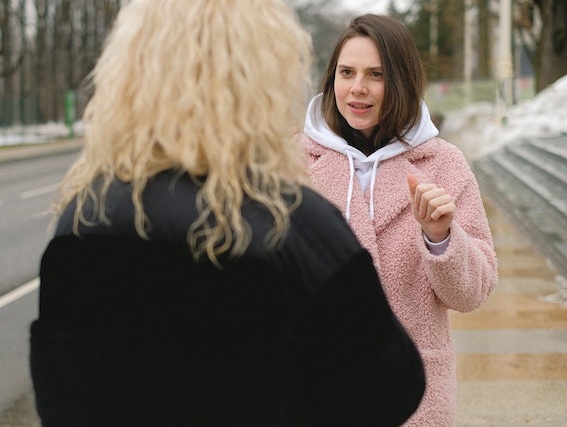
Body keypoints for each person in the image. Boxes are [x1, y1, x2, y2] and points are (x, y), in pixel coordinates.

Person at [29, 1, 426, 425]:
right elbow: (391, 388)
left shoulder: (83, 221)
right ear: (261, 79)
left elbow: (61, 396)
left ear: (129, 73)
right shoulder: (292, 224)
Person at [301, 14, 498, 426]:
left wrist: (442, 238)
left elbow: (474, 293)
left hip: (414, 394)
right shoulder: (294, 164)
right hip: (315, 387)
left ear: (402, 80)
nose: (358, 88)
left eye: (376, 74)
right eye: (346, 72)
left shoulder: (444, 164)